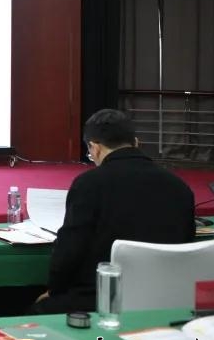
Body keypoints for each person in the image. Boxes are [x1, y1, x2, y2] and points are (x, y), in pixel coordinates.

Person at [33, 108, 195, 314]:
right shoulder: (179, 186)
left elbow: (69, 251)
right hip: (166, 302)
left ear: (94, 148)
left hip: (99, 300)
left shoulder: (89, 184)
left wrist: (54, 290)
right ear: (136, 143)